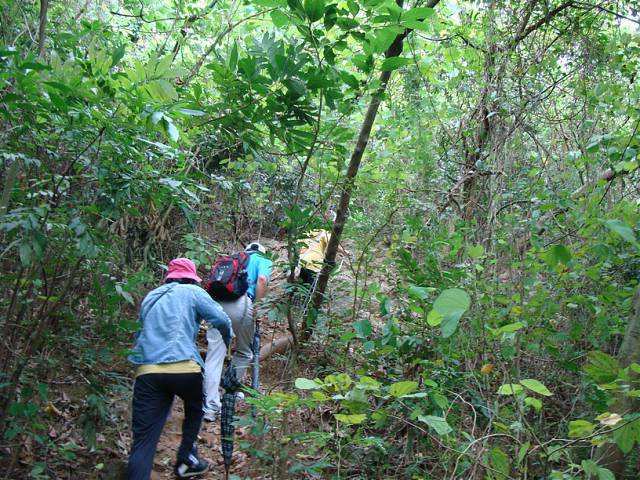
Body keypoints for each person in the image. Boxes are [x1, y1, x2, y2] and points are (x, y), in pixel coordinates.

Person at [127, 258, 233, 480]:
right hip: (185, 367)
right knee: (195, 409)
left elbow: (139, 335)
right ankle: (186, 459)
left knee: (143, 442)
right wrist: (228, 340)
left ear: (169, 277)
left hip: (148, 371)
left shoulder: (151, 297)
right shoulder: (193, 292)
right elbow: (221, 319)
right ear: (191, 278)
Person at [203, 242, 273, 421]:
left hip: (217, 304)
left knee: (214, 355)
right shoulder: (263, 259)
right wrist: (257, 307)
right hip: (241, 302)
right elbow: (262, 280)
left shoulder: (236, 258)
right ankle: (228, 392)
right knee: (244, 352)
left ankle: (210, 407)